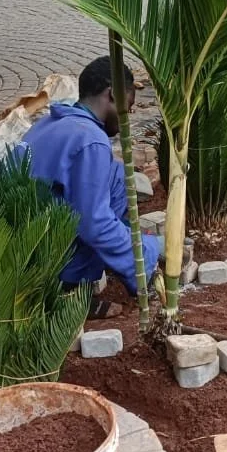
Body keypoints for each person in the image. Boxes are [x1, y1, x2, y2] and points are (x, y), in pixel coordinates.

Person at [17, 56, 164, 318]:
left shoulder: (49, 123)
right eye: (127, 108)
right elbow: (94, 224)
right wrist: (151, 249)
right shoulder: (91, 139)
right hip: (42, 261)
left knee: (116, 175)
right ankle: (69, 295)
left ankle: (122, 263)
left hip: (17, 253)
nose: (126, 120)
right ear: (111, 95)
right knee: (108, 196)